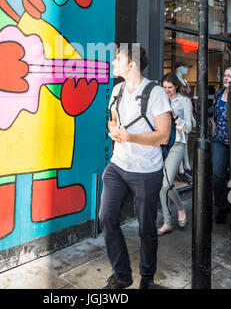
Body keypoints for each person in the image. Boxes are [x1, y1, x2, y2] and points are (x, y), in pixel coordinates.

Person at [99, 44, 171, 290]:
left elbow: (163, 135)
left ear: (131, 65)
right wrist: (114, 131)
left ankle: (147, 279)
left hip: (146, 171)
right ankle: (122, 275)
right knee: (106, 217)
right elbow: (113, 120)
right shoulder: (117, 89)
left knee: (146, 228)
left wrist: (131, 137)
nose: (113, 63)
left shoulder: (156, 93)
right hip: (118, 166)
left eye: (117, 58)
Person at [157, 73, 194, 236]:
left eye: (169, 88)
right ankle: (167, 222)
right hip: (160, 143)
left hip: (177, 143)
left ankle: (180, 208)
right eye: (164, 87)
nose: (166, 91)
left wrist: (175, 116)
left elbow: (190, 127)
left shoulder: (184, 101)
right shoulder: (159, 99)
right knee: (161, 185)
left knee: (167, 183)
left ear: (176, 86)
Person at [211, 66, 231, 224]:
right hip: (219, 140)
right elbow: (214, 114)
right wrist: (213, 127)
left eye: (230, 76)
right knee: (217, 174)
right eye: (225, 75)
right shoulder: (219, 93)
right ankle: (223, 205)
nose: (226, 78)